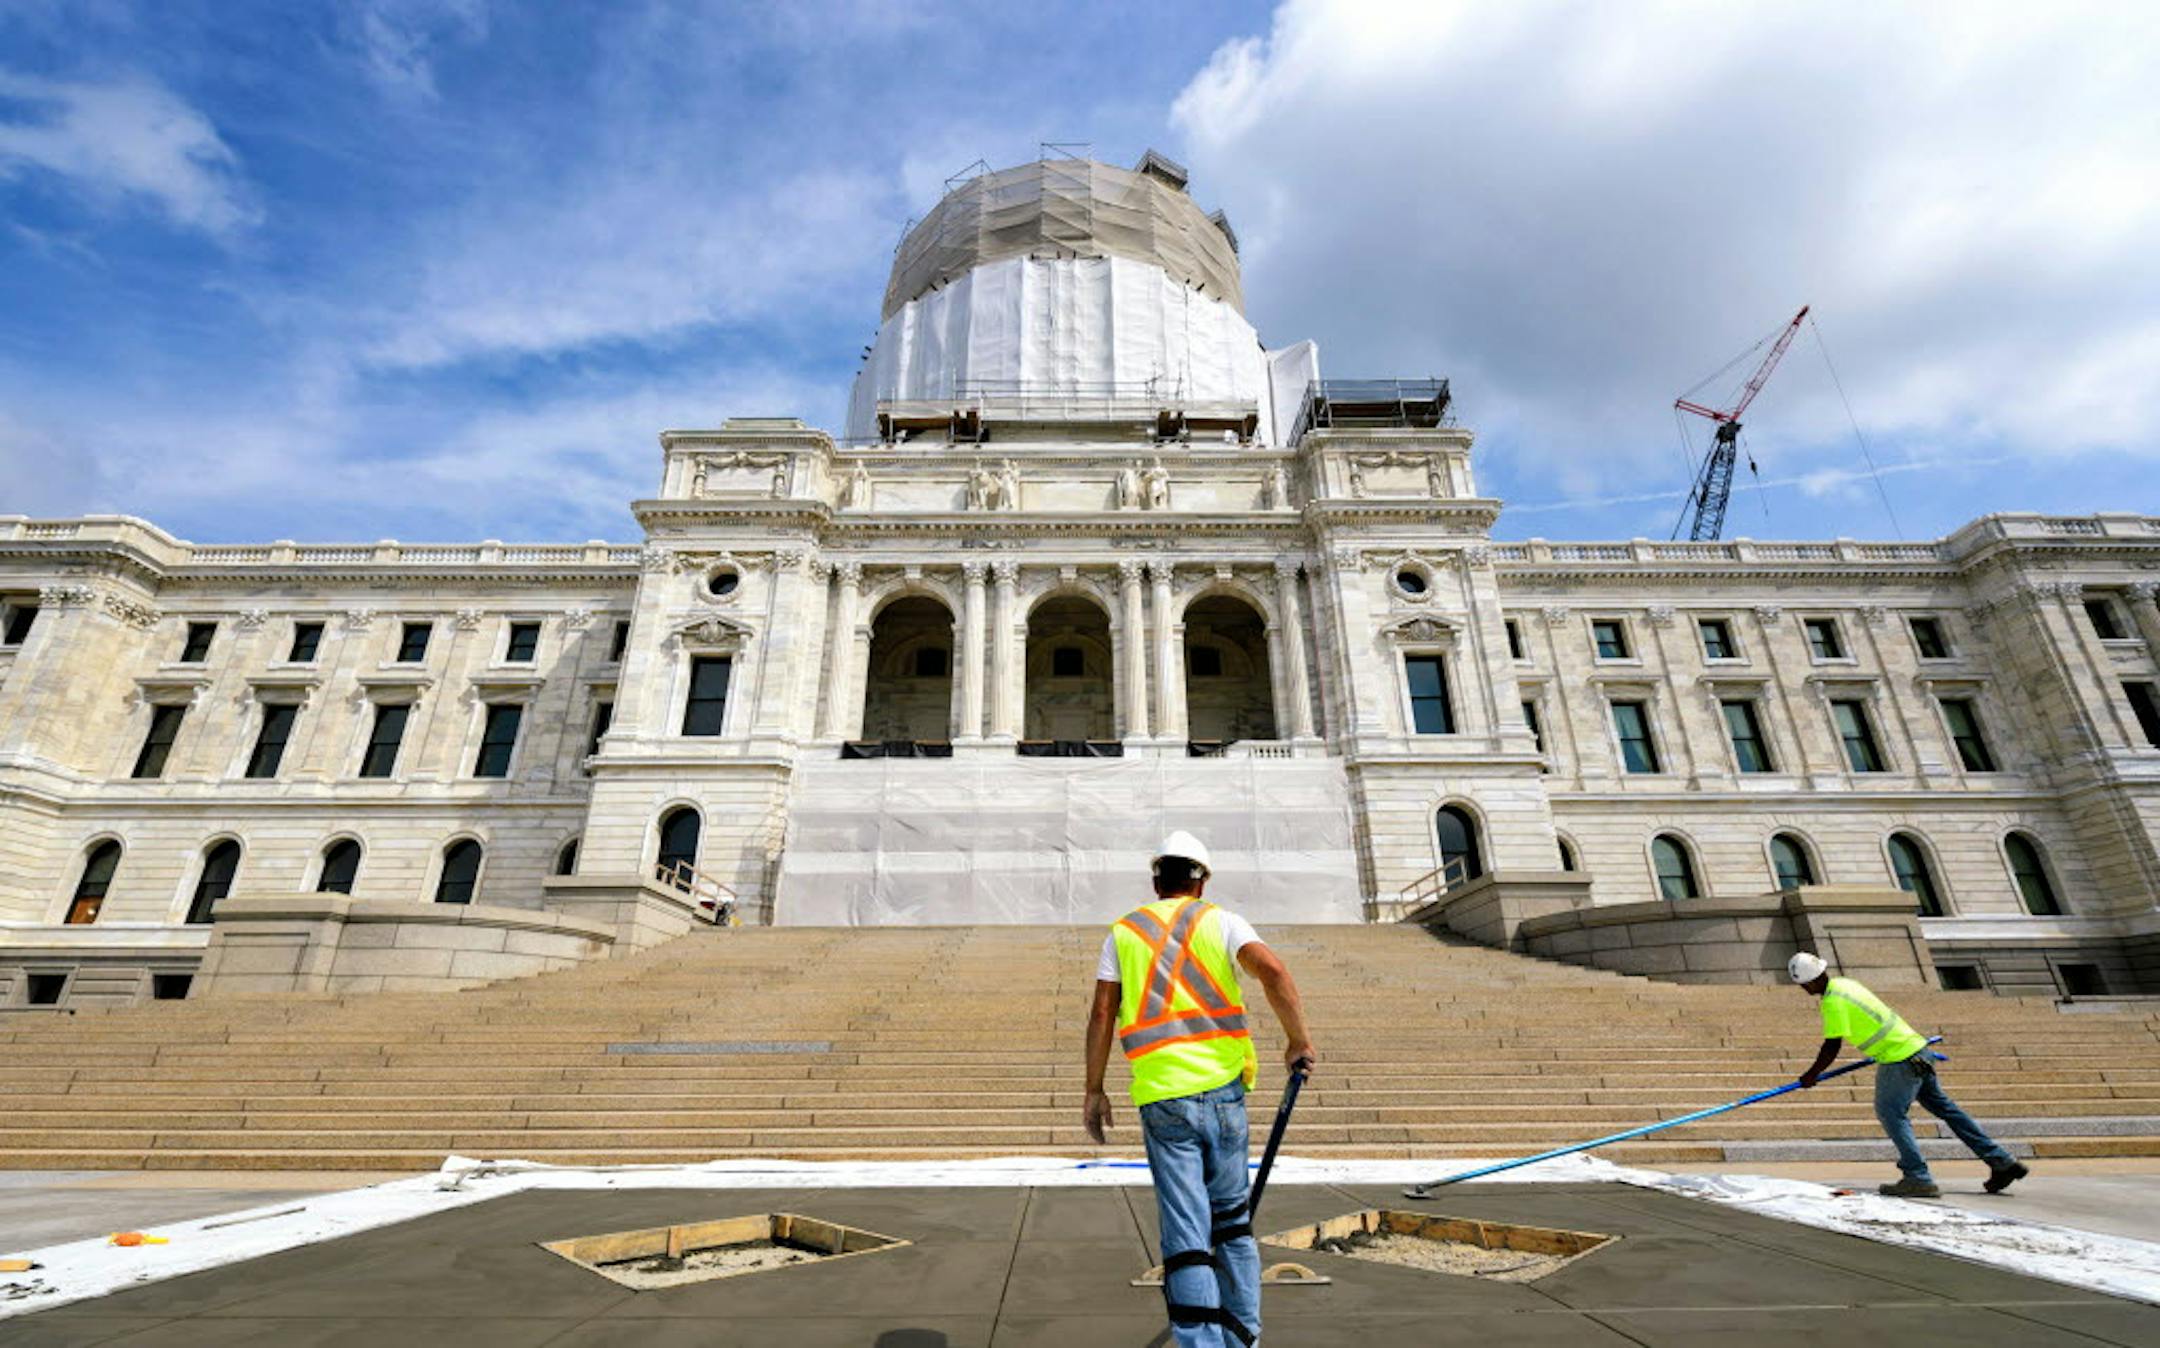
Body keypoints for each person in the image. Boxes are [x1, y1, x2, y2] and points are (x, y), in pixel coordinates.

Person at [1084, 831, 1315, 1348]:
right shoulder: (1222, 922)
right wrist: (1298, 1040)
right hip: (1225, 1091)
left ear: (1155, 881)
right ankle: (1243, 1335)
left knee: (1187, 1229)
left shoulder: (1124, 931)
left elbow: (1103, 1012)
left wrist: (1094, 1088)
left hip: (1164, 1096)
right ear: (1203, 880)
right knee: (1232, 1221)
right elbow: (1274, 970)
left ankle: (1203, 1342)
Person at [1789, 952, 2027, 1198]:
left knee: (1891, 1113)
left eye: (1802, 985)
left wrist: (1811, 1075)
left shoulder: (1832, 1001)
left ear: (1810, 982)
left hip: (1899, 1059)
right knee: (1948, 1111)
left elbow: (1832, 1045)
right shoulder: (1845, 984)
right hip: (1918, 1049)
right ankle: (2002, 1161)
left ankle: (1917, 1177)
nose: (1804, 990)